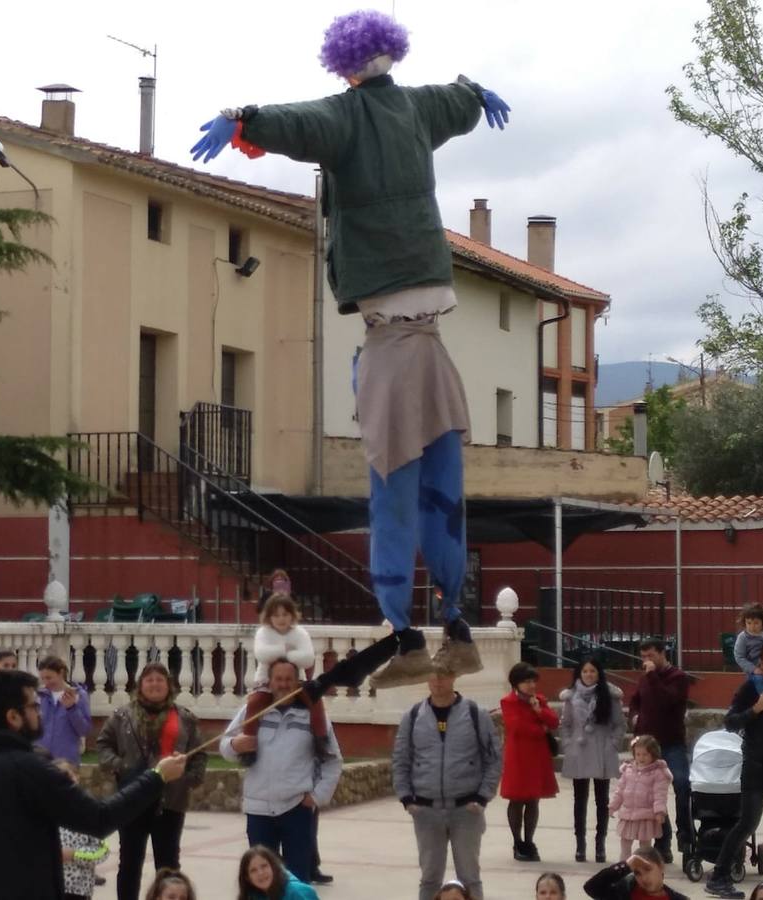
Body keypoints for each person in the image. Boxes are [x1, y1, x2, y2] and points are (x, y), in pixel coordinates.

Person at [191, 9, 511, 691]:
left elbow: (297, 122)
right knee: (442, 492)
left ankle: (405, 632)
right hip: (434, 342)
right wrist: (479, 92)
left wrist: (241, 115)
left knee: (390, 499)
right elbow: (460, 98)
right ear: (392, 54)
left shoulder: (348, 116)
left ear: (342, 65)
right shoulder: (421, 108)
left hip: (392, 347)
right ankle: (455, 622)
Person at [0, 668, 188, 900]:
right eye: (33, 706)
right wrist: (157, 776)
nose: (40, 711)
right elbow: (99, 818)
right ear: (13, 717)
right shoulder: (30, 769)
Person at [220, 658, 342, 883]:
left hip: (296, 808)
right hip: (258, 810)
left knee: (296, 880)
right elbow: (225, 745)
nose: (283, 684)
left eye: (289, 679)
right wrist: (236, 745)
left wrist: (316, 796)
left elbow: (333, 761)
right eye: (278, 679)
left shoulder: (314, 715)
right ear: (270, 681)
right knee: (260, 882)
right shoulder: (252, 710)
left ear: (297, 682)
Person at [96, 661, 207, 900]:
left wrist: (189, 779)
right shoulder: (122, 716)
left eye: (160, 680)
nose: (155, 684)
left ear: (169, 685)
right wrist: (122, 767)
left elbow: (199, 753)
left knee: (168, 865)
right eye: (149, 680)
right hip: (132, 799)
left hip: (170, 801)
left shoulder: (185, 718)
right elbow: (103, 746)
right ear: (140, 685)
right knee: (129, 864)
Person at [393, 666, 501, 900]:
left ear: (454, 676)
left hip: (466, 809)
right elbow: (401, 759)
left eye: (443, 675)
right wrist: (406, 798)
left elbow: (493, 758)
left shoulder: (475, 714)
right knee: (430, 878)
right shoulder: (413, 716)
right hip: (426, 810)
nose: (438, 681)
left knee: (470, 877)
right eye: (432, 675)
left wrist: (483, 796)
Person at [704, 641, 763, 899]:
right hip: (757, 766)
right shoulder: (751, 688)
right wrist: (755, 709)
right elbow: (730, 722)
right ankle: (719, 877)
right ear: (761, 663)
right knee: (747, 824)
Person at [628, 638, 690, 862]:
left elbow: (667, 700)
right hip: (648, 746)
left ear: (664, 653)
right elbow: (636, 701)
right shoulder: (645, 678)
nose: (647, 660)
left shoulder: (678, 677)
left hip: (672, 744)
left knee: (682, 784)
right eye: (643, 656)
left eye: (651, 655)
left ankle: (686, 834)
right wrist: (635, 718)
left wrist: (653, 675)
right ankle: (662, 843)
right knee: (653, 796)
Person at [243, 595, 326, 763]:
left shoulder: (300, 633)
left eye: (285, 614)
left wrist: (282, 653)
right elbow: (262, 654)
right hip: (267, 681)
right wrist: (286, 649)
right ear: (269, 617)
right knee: (254, 703)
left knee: (316, 700)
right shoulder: (263, 633)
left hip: (296, 681)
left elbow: (308, 658)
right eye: (276, 615)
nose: (281, 619)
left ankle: (321, 741)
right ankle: (248, 745)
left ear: (292, 615)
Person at [560, 656, 626, 863]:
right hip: (578, 751)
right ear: (579, 674)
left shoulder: (610, 696)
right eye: (585, 671)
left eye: (593, 671)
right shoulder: (570, 697)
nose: (589, 675)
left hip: (601, 750)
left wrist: (613, 744)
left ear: (599, 674)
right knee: (579, 800)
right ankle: (580, 844)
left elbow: (619, 724)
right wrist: (568, 744)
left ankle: (600, 844)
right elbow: (565, 724)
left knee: (602, 800)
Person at [500, 662, 558, 862]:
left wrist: (539, 711)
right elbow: (517, 727)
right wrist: (539, 729)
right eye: (527, 681)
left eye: (534, 681)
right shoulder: (508, 702)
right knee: (516, 799)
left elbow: (554, 722)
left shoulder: (539, 700)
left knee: (533, 799)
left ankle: (529, 840)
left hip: (537, 755)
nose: (532, 685)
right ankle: (517, 842)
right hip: (518, 756)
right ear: (516, 683)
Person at [53, 759, 110, 900]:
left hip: (79, 888)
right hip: (50, 886)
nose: (64, 781)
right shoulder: (45, 812)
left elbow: (102, 851)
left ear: (77, 777)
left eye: (68, 775)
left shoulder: (88, 811)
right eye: (58, 777)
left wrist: (74, 854)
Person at [609, 736, 672, 861]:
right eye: (638, 754)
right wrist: (613, 806)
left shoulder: (658, 773)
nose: (641, 758)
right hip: (628, 814)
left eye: (645, 754)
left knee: (645, 846)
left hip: (646, 815)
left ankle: (644, 865)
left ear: (653, 755)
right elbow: (620, 791)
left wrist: (659, 812)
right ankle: (624, 866)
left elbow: (660, 794)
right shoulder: (628, 770)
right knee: (625, 842)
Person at [35, 655, 92, 768]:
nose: (46, 683)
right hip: (40, 761)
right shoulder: (39, 697)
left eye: (49, 678)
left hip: (67, 762)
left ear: (61, 673)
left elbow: (84, 730)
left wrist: (72, 709)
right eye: (43, 678)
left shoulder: (79, 695)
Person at [583, 847, 689, 900]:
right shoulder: (624, 891)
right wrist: (626, 865)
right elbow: (591, 887)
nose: (644, 878)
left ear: (661, 867)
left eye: (648, 869)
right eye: (637, 873)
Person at [235, 845, 318, 900]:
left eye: (264, 866)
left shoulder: (296, 892)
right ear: (247, 877)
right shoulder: (251, 895)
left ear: (273, 867)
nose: (260, 873)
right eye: (253, 870)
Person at [734, 604, 763, 696]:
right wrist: (754, 669)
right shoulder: (743, 637)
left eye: (756, 623)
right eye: (748, 623)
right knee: (759, 679)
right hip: (754, 670)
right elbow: (739, 657)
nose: (752, 627)